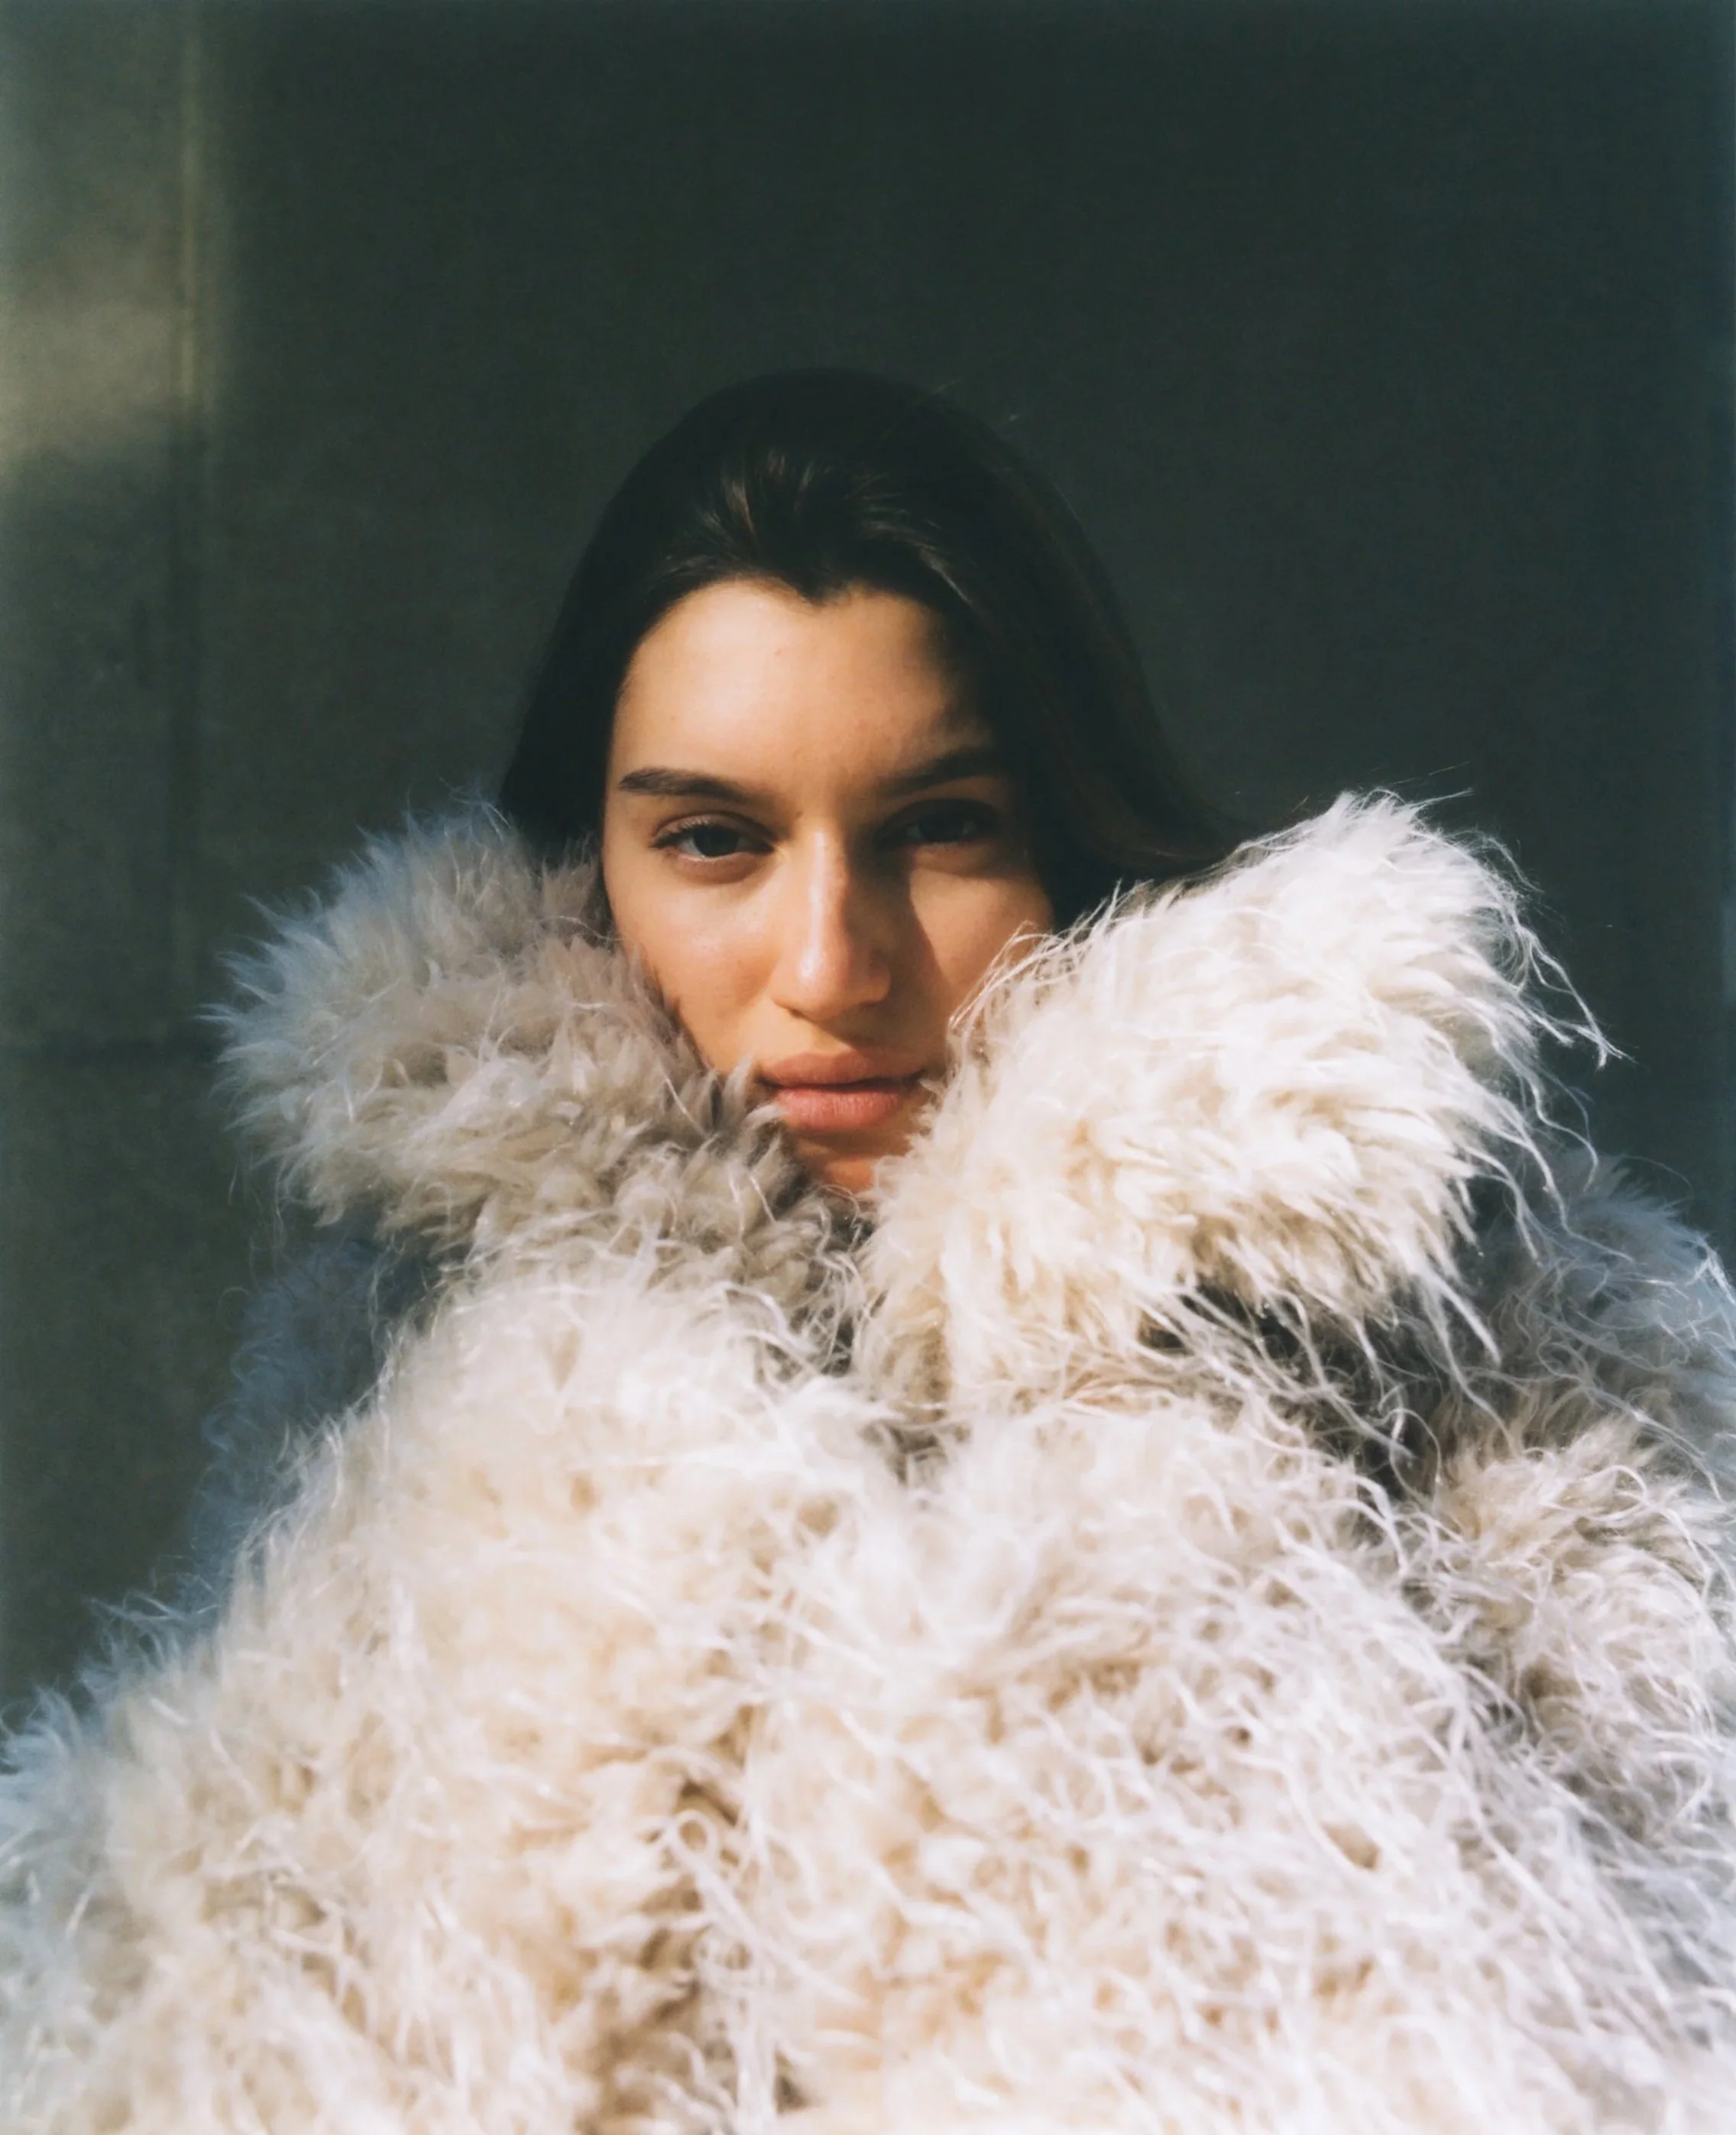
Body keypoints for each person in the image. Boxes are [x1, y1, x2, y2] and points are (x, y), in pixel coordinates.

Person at [3, 370, 1734, 2133]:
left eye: (935, 828)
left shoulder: (1449, 1302)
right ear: (586, 867)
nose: (830, 964)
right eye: (712, 840)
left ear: (1064, 834)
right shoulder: (392, 1362)